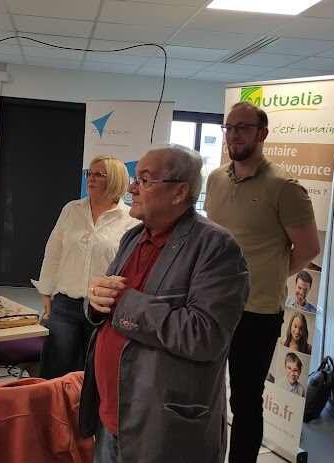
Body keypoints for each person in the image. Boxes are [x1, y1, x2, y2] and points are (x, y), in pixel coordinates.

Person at [79, 145, 250, 463]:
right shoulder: (133, 237)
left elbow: (205, 335)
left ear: (179, 192)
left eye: (144, 180)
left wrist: (124, 303)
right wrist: (96, 301)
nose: (132, 188)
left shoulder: (216, 246)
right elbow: (110, 301)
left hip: (162, 430)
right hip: (111, 417)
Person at [204, 101, 320, 463]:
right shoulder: (215, 179)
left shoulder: (285, 187)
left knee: (244, 400)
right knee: (203, 393)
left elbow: (308, 249)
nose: (234, 135)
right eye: (229, 127)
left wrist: (267, 274)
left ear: (262, 133)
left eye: (243, 127)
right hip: (209, 306)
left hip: (256, 311)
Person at [33, 155, 138, 380]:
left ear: (116, 179)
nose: (91, 178)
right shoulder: (72, 210)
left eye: (99, 174)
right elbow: (54, 252)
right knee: (55, 371)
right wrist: (45, 292)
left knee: (94, 373)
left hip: (103, 309)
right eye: (90, 173)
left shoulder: (131, 220)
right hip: (65, 304)